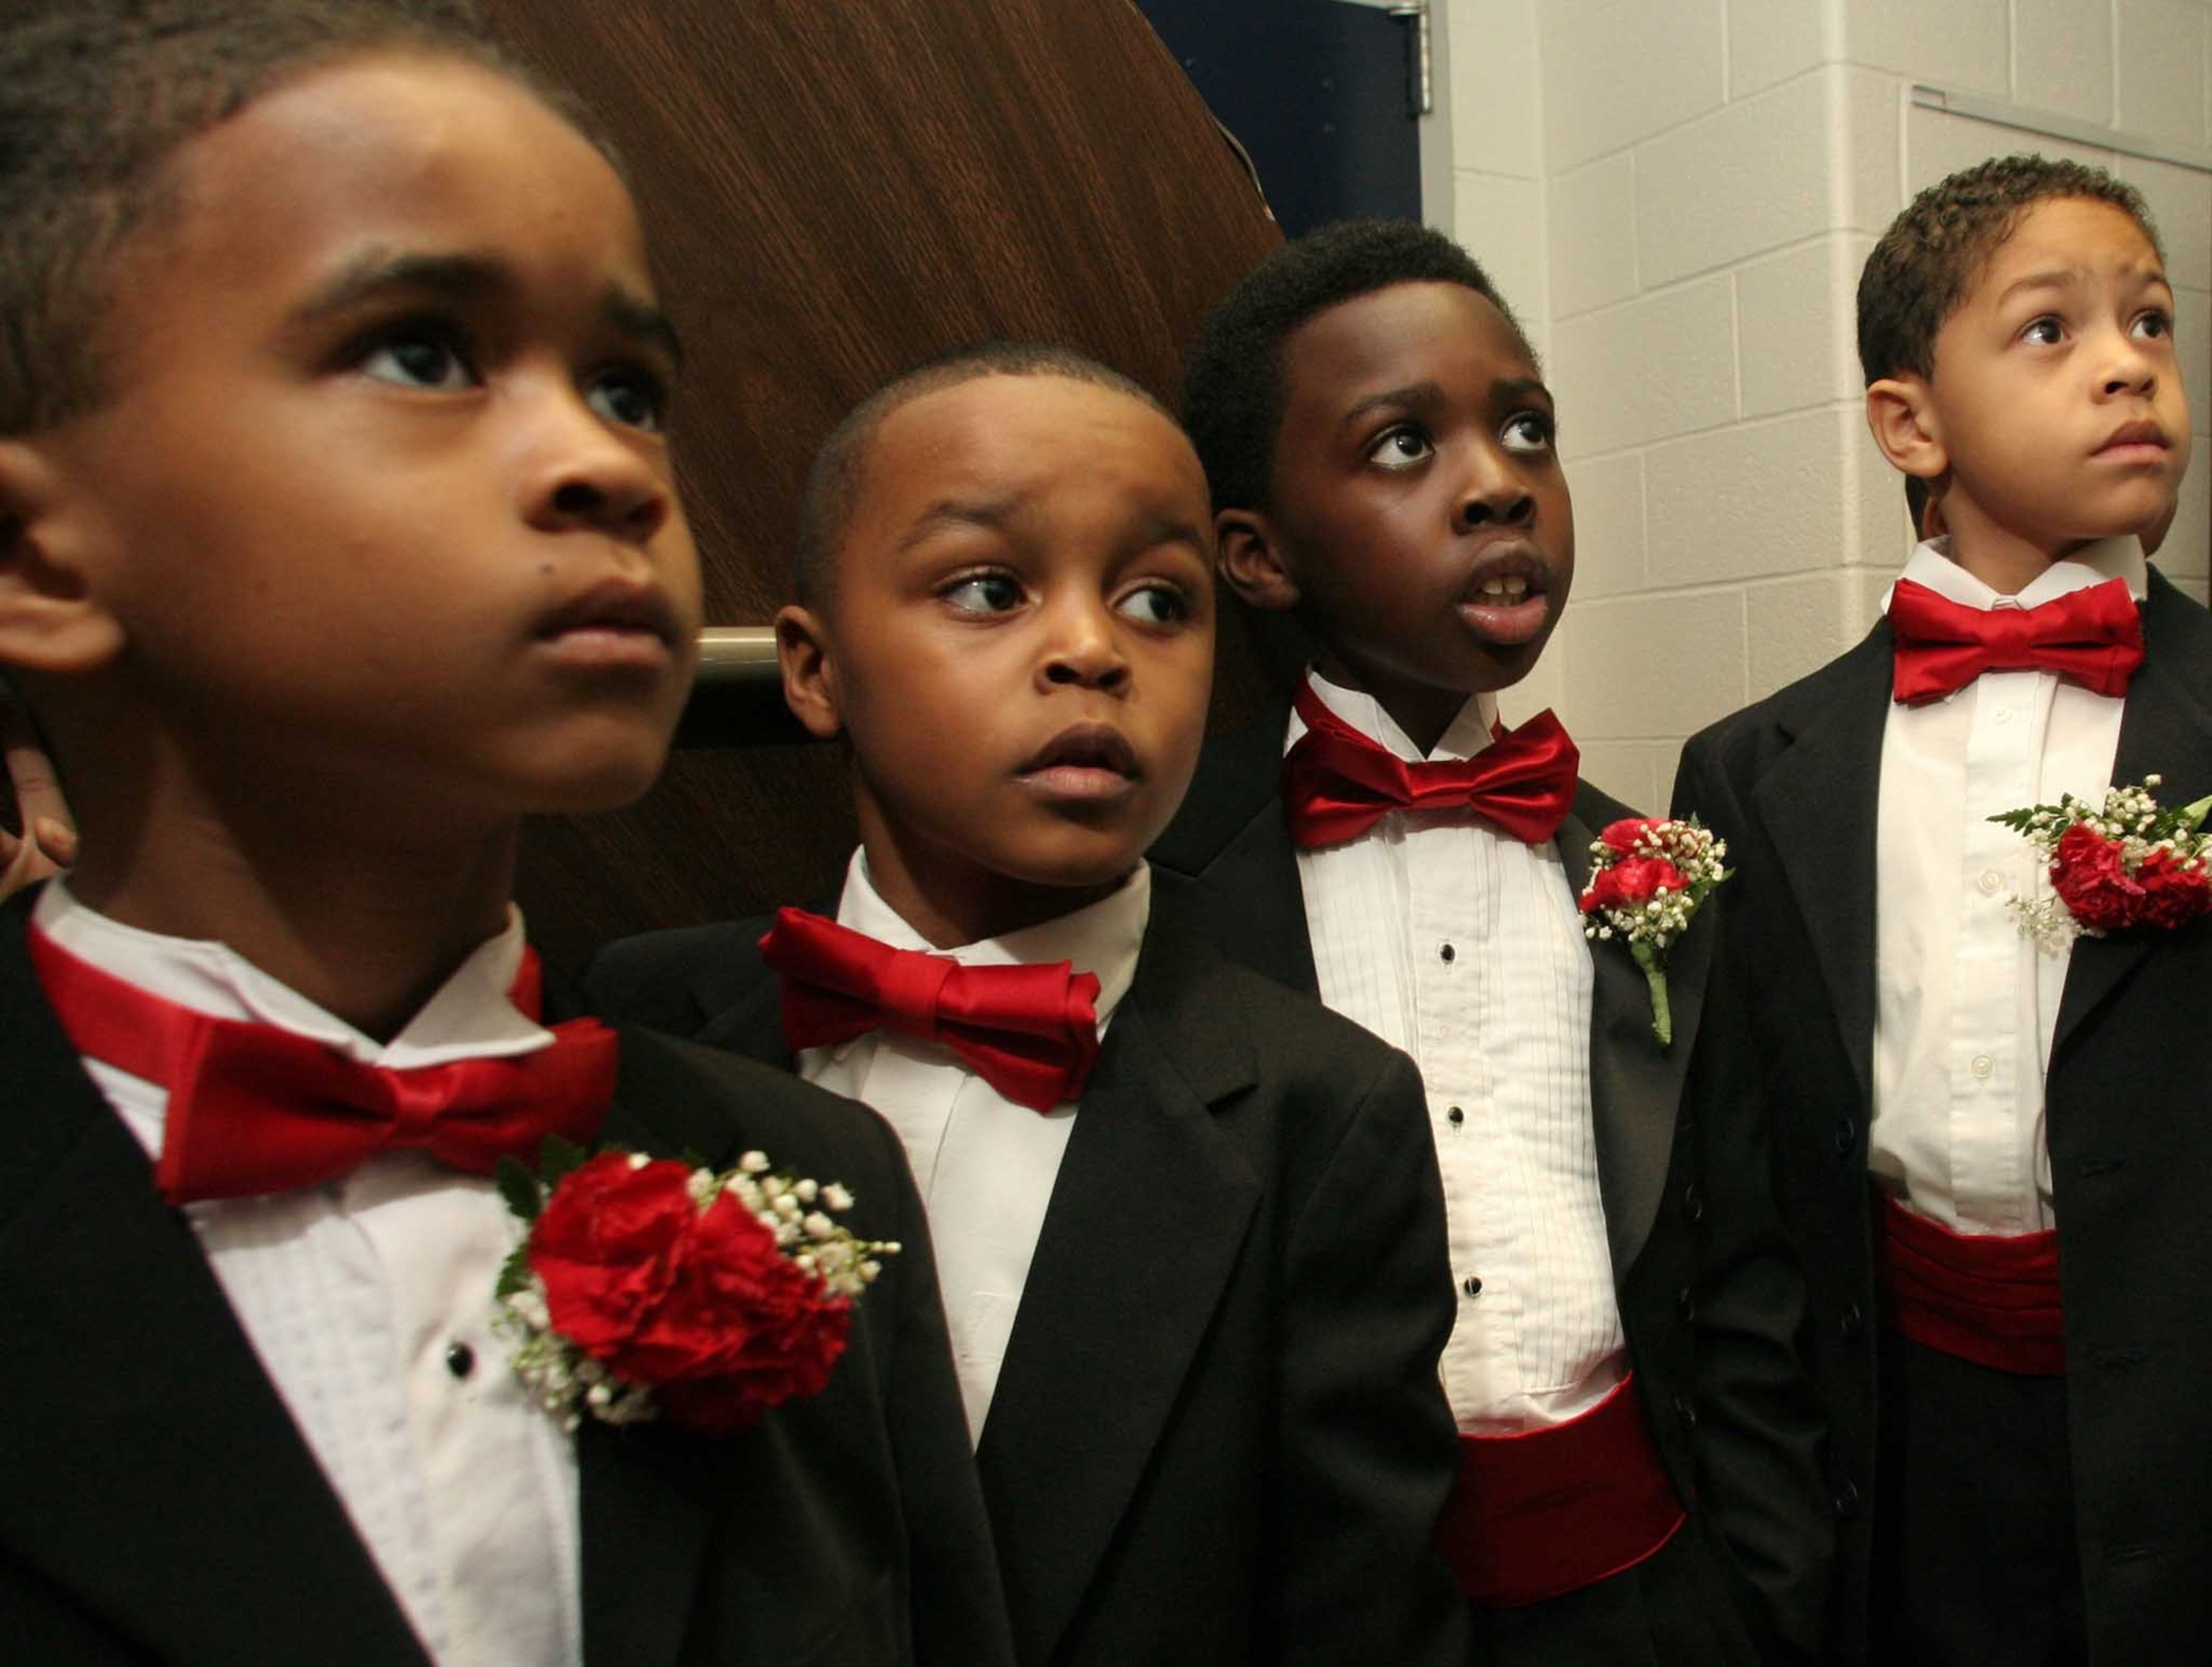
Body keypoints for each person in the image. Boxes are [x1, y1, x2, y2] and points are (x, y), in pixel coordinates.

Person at [0, 5, 1010, 1662]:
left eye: (629, 387)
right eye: (423, 354)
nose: (608, 463)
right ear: (38, 560)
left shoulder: (806, 1176)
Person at [588, 342, 1473, 1667]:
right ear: (816, 670)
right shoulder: (638, 1020)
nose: (1091, 649)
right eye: (989, 590)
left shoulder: (1326, 1113)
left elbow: (1366, 1617)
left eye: (1159, 602)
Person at [1148, 219, 1831, 1663]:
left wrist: (1768, 1600)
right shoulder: (1166, 887)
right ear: (1257, 556)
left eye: (1528, 430)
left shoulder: (1652, 869)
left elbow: (1744, 1279)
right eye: (1404, 445)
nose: (1499, 483)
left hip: (1653, 1600)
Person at [1672, 153, 2201, 1663]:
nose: (2128, 366)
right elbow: (1750, 1190)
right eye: (2051, 329)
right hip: (1902, 1445)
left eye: (2151, 322)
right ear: (1911, 423)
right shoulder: (1753, 771)